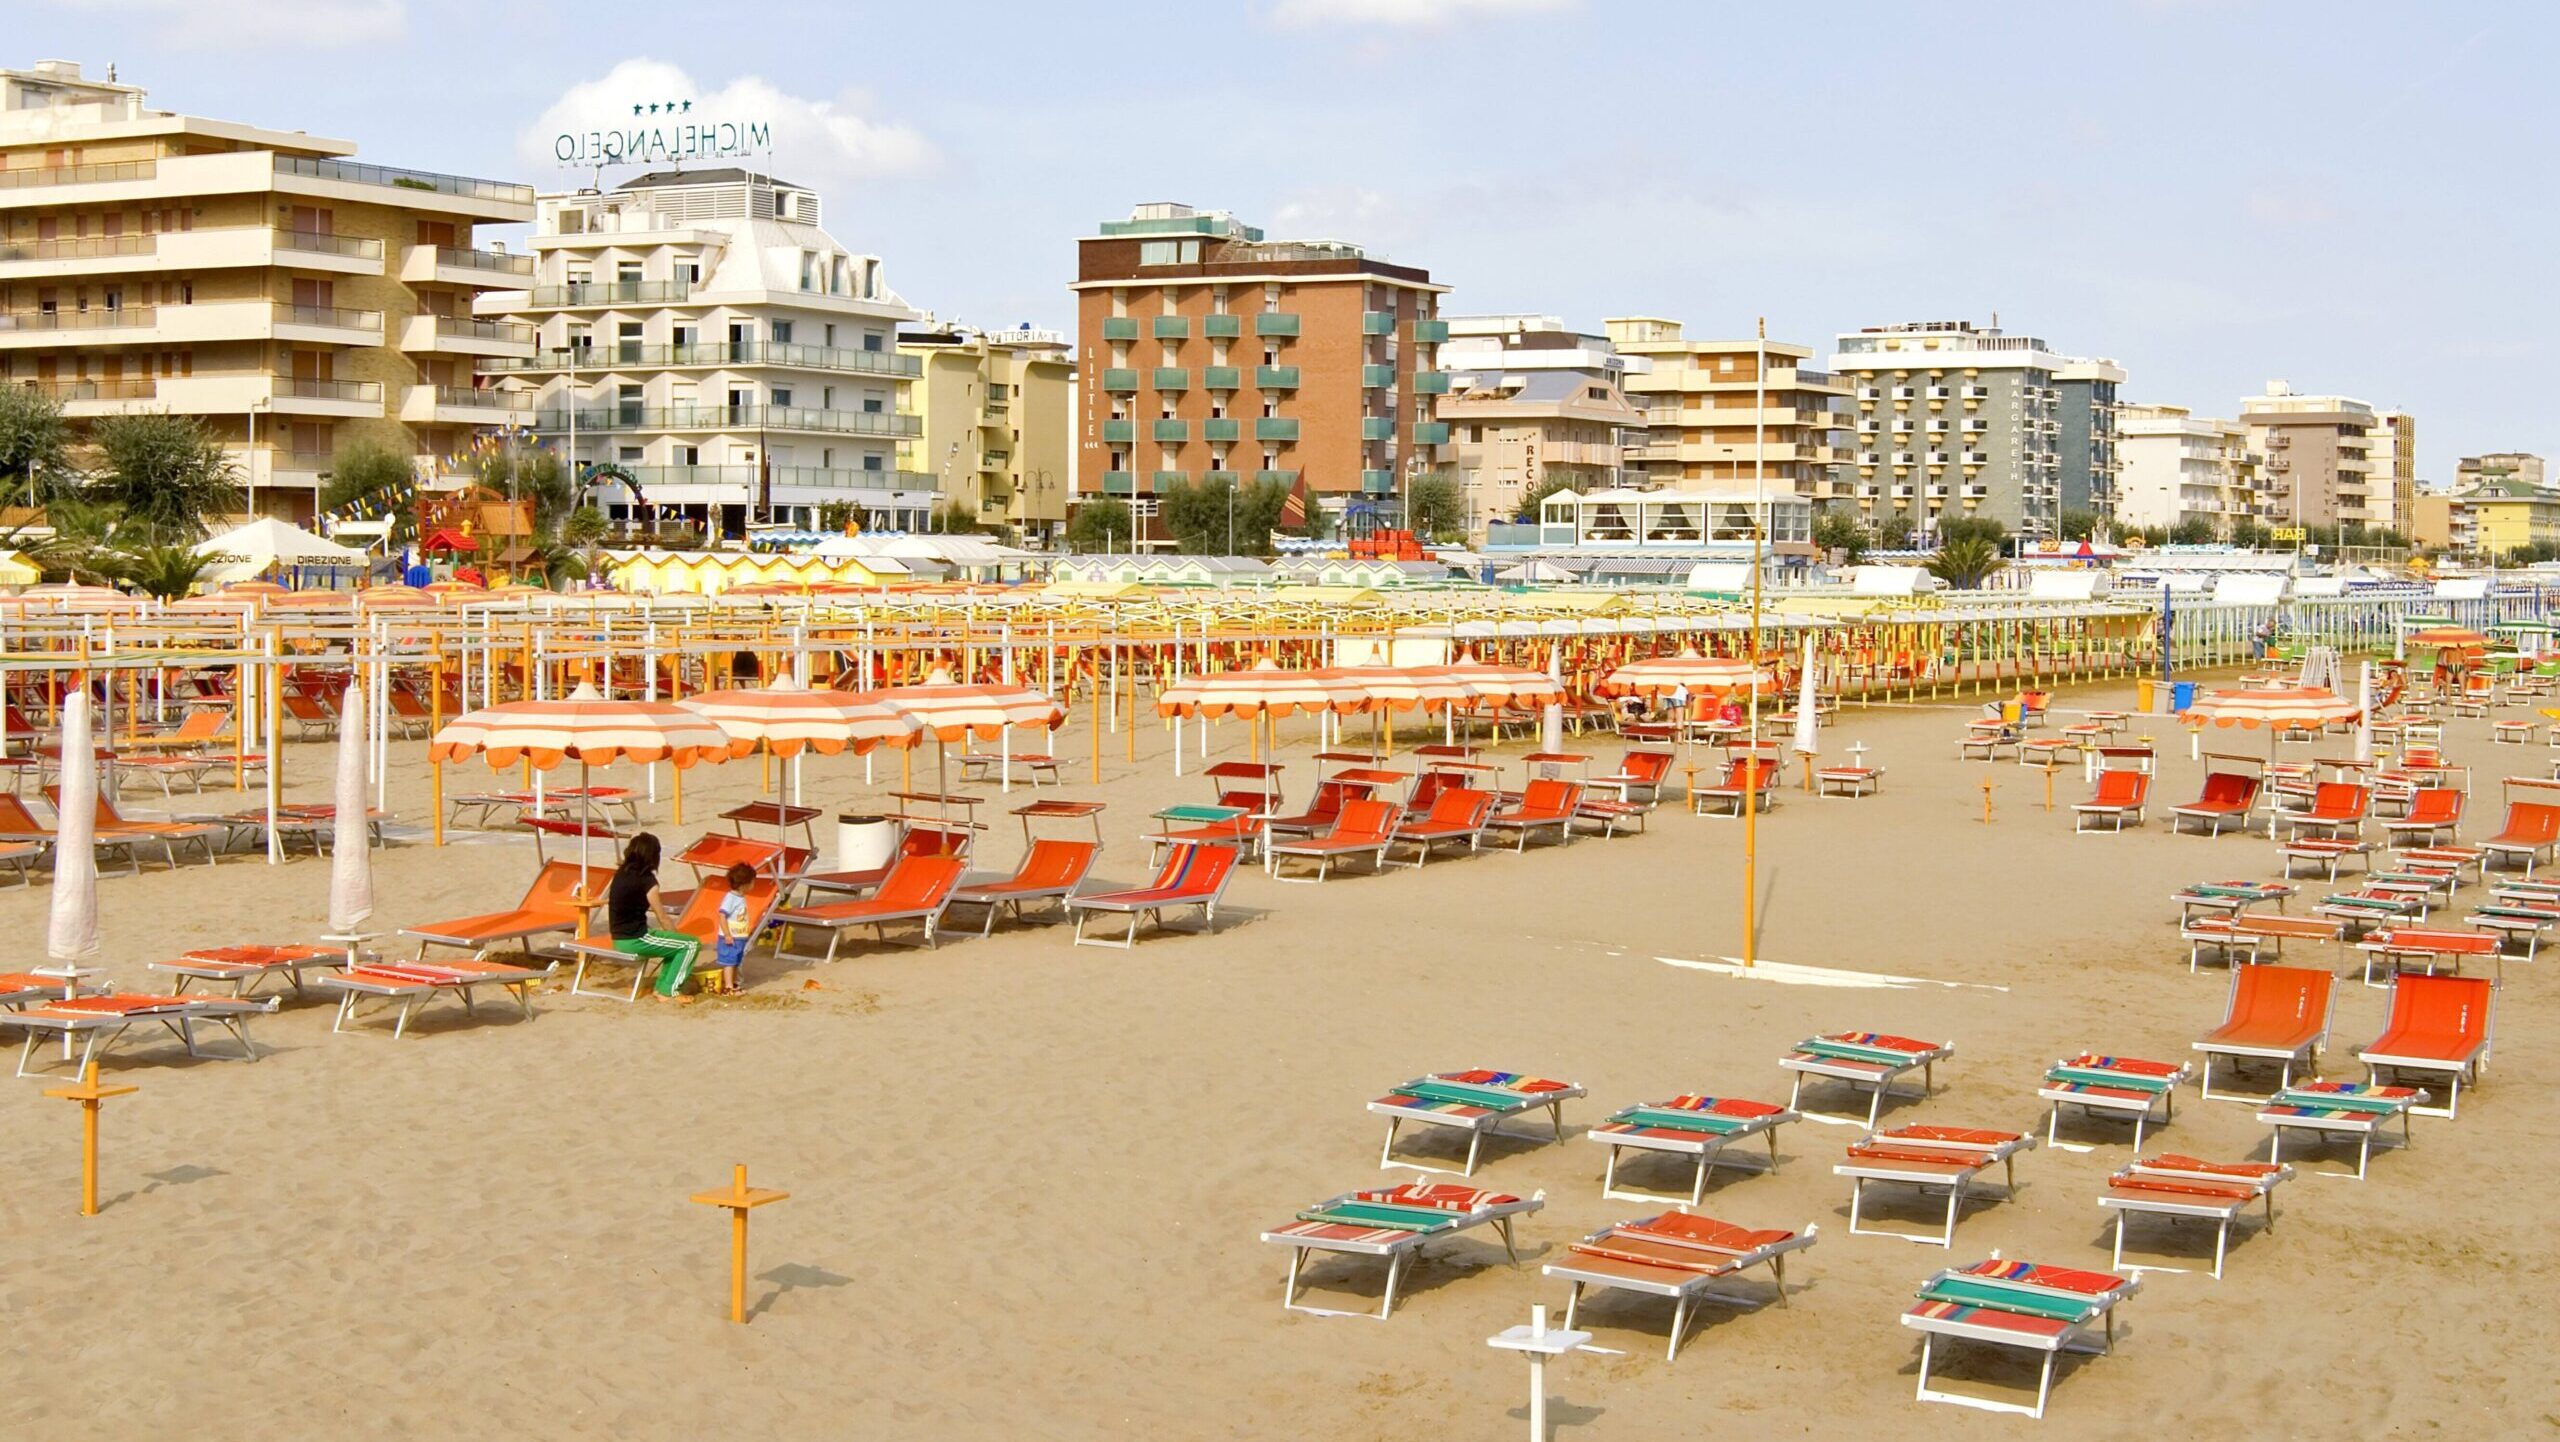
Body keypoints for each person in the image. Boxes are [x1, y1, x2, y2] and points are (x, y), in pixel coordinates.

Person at [607, 832, 701, 998]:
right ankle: (668, 991)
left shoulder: (620, 873)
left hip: (618, 937)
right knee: (690, 944)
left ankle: (662, 987)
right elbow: (662, 917)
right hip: (635, 939)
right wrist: (677, 936)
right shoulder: (647, 882)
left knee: (674, 945)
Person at [712, 861, 758, 992]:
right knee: (729, 962)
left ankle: (734, 984)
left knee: (736, 961)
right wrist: (727, 934)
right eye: (752, 882)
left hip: (739, 937)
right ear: (744, 884)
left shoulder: (740, 897)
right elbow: (722, 915)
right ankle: (728, 987)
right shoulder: (730, 897)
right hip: (731, 937)